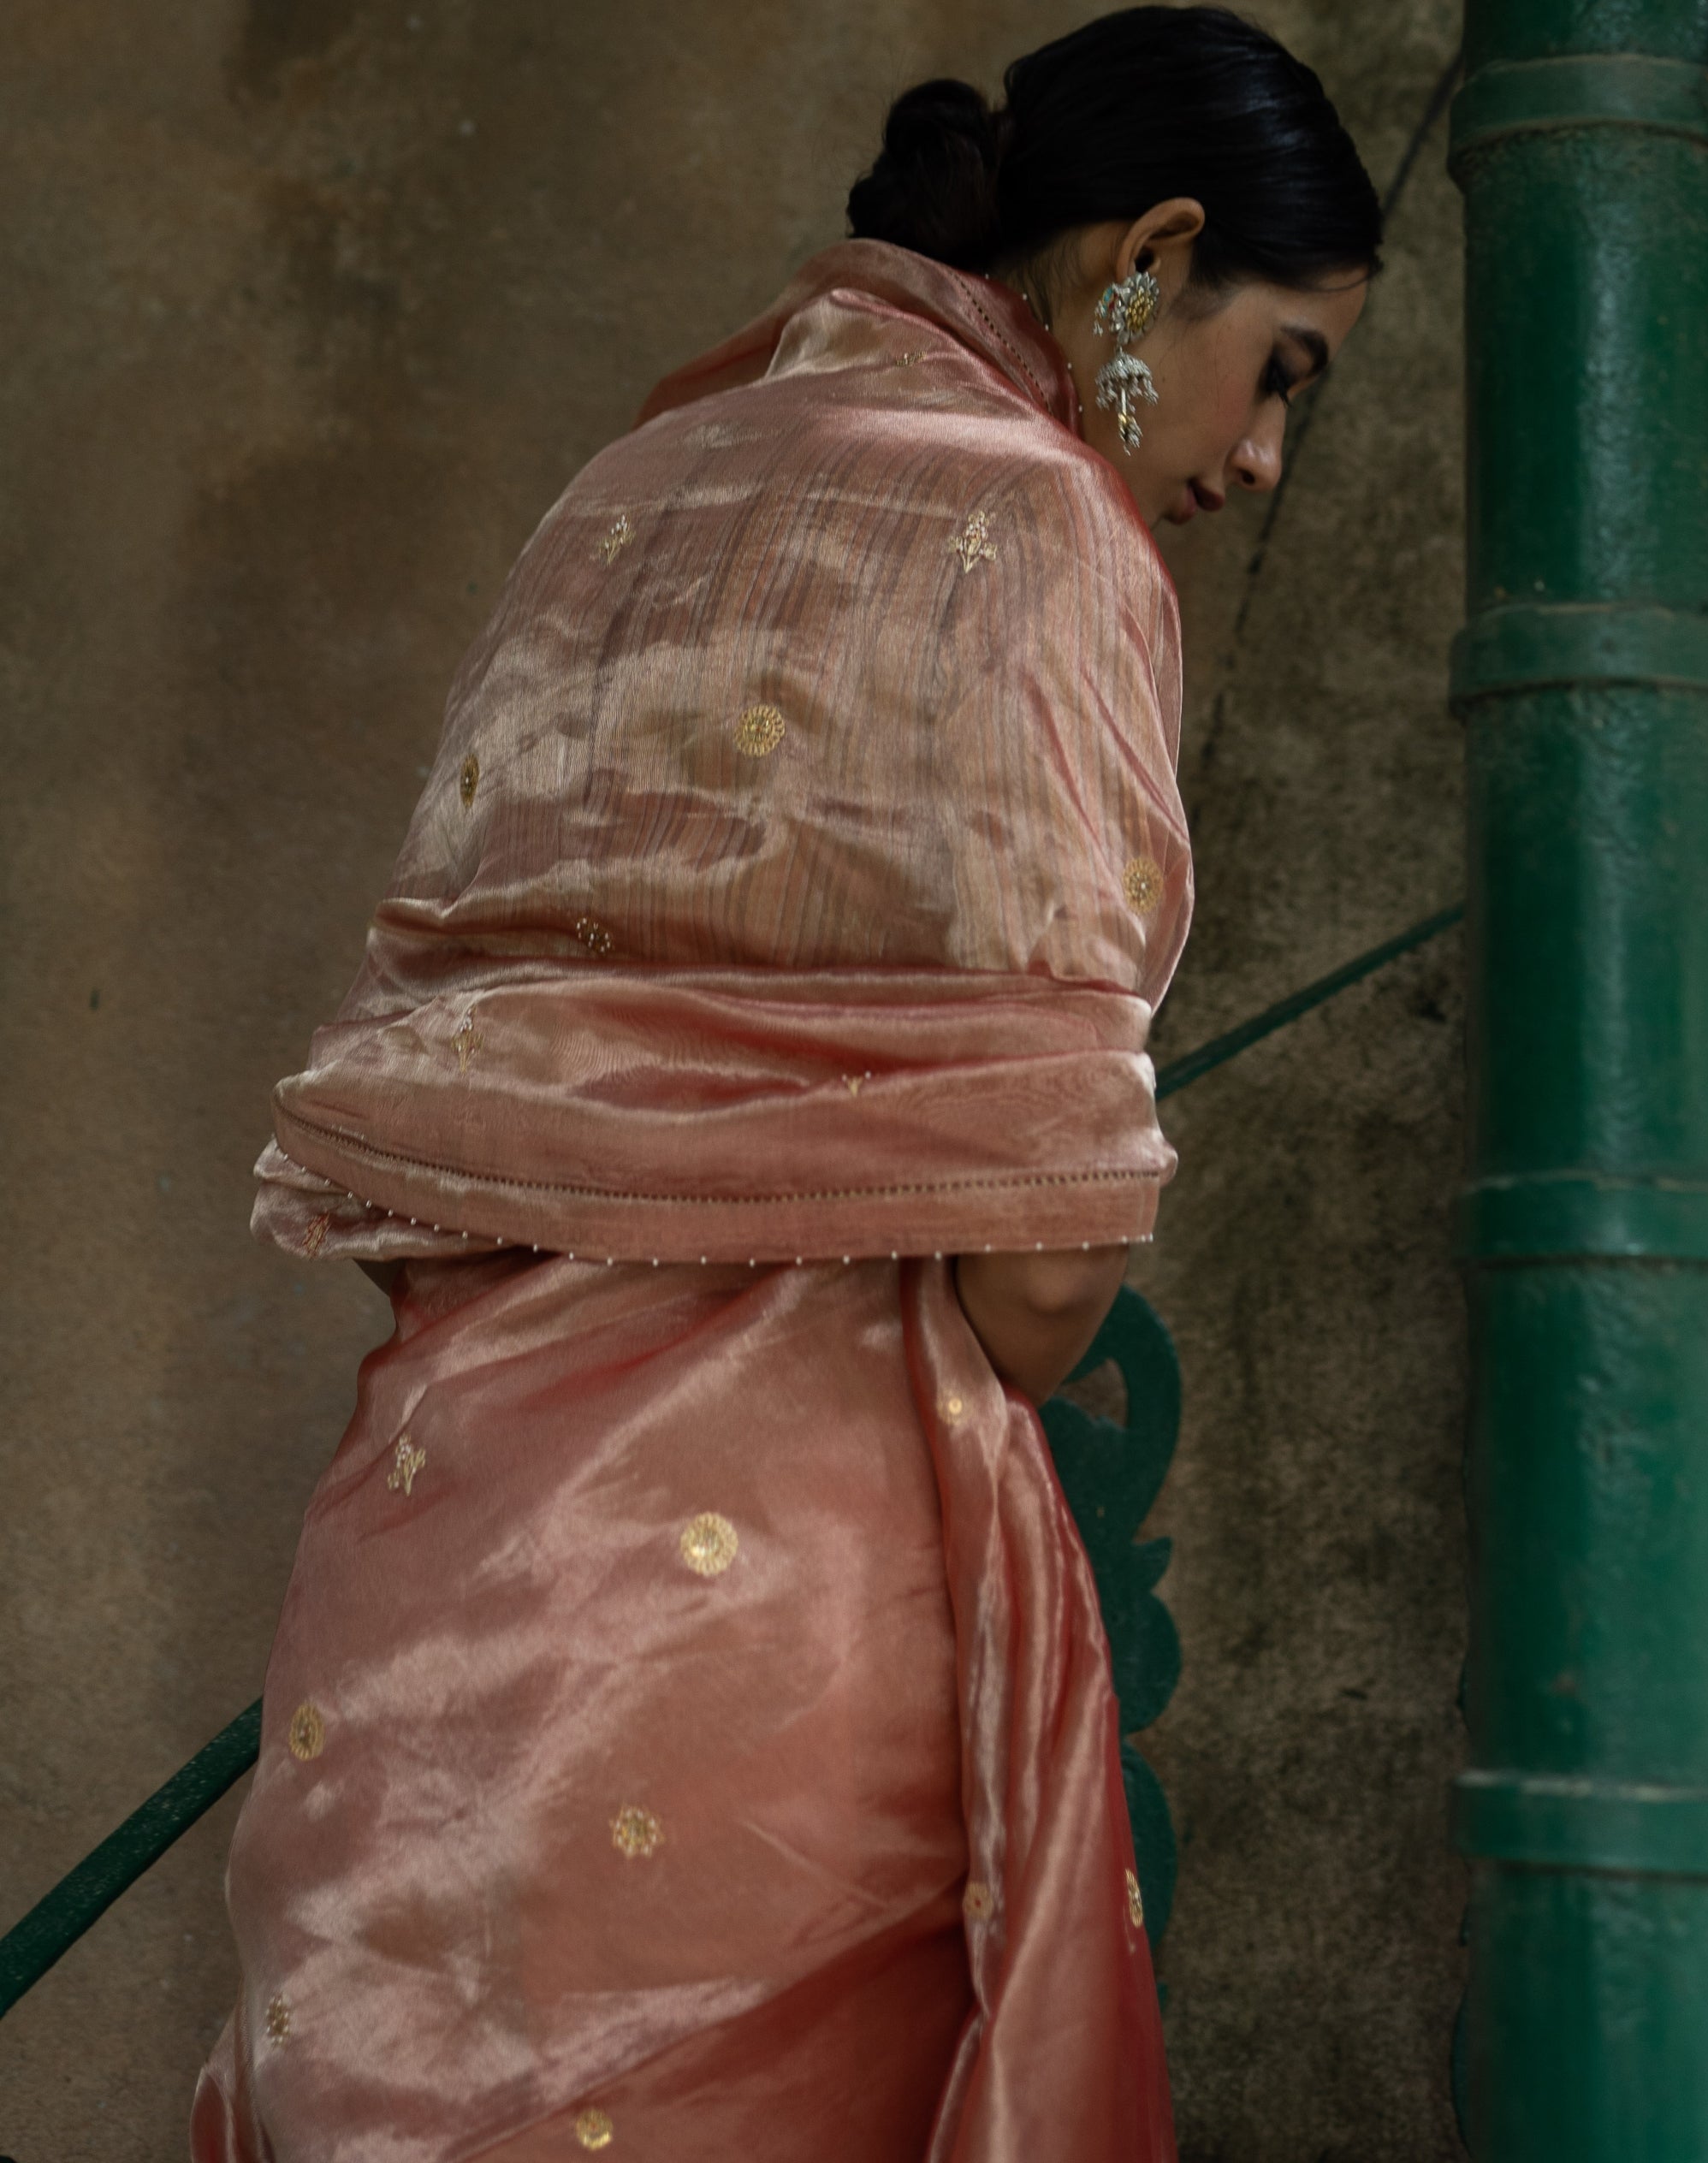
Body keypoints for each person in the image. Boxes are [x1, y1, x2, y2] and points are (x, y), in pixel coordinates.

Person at [192, 8, 1379, 2157]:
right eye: (1278, 364)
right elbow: (1038, 1282)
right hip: (759, 1633)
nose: (1264, 456)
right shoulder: (1044, 533)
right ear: (1151, 258)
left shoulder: (636, 476)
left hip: (427, 1578)